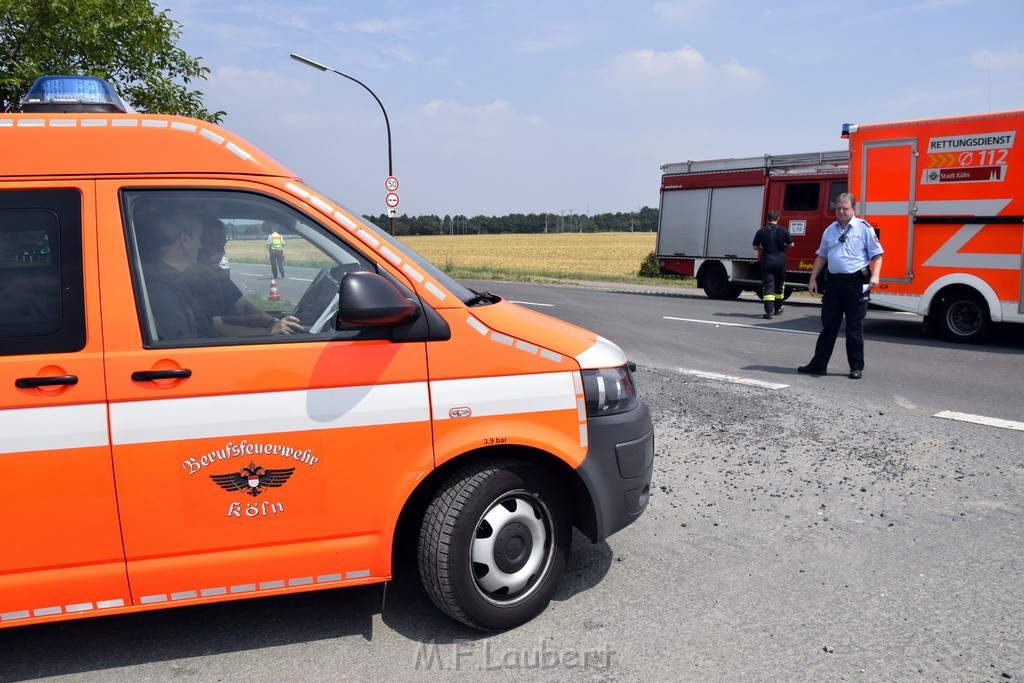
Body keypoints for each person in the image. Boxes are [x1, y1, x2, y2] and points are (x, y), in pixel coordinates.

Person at [798, 193, 884, 379]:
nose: (841, 211)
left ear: (853, 209)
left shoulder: (864, 228)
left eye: (845, 208)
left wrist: (875, 275)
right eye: (838, 208)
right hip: (834, 284)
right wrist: (813, 279)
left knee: (854, 326)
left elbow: (877, 254)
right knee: (829, 325)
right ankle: (818, 365)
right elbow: (822, 255)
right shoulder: (830, 230)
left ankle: (856, 367)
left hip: (856, 284)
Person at [188, 218, 304, 336]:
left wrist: (273, 322)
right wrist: (268, 332)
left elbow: (243, 306)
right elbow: (218, 328)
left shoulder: (218, 273)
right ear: (199, 244)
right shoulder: (195, 280)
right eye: (216, 244)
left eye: (223, 245)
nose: (223, 251)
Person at [138, 207, 217, 341]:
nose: (201, 246)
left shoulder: (169, 280)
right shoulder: (161, 292)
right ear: (185, 239)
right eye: (199, 238)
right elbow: (184, 345)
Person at [752, 209, 793, 319]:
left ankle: (768, 312)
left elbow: (755, 246)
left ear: (767, 219)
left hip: (768, 260)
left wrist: (762, 248)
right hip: (781, 260)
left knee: (769, 285)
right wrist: (783, 247)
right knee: (780, 285)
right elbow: (791, 244)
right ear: (778, 218)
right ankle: (778, 308)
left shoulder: (761, 231)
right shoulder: (784, 231)